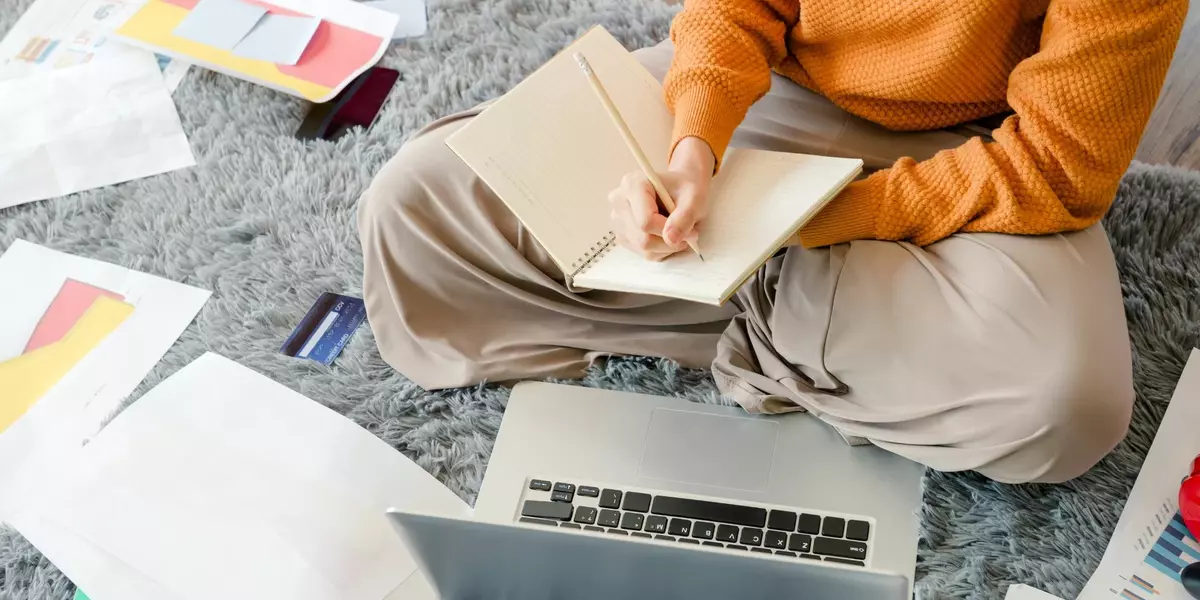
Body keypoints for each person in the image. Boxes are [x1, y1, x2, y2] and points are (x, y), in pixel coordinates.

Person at [358, 0, 1187, 484]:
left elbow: (1060, 167)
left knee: (1064, 405)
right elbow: (734, 11)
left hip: (976, 146)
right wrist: (693, 144)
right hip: (774, 100)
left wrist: (818, 217)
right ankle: (812, 323)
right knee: (415, 206)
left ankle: (719, 294)